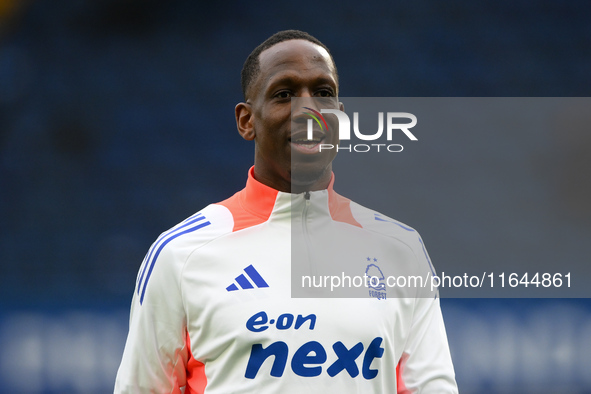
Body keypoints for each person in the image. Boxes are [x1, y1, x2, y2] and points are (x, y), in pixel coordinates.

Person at [115, 30, 458, 393]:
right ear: (247, 120)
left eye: (323, 93)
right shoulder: (181, 254)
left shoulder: (400, 250)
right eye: (284, 94)